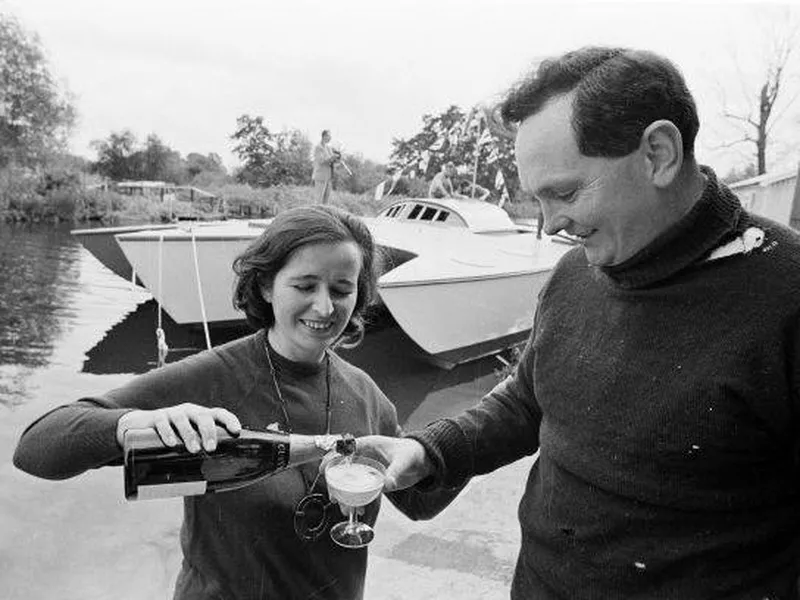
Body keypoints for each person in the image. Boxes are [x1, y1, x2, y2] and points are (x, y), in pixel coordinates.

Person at [356, 46, 800, 599]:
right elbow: (528, 399)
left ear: (658, 154)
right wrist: (430, 452)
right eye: (538, 200)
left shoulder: (787, 297)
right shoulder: (574, 272)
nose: (550, 225)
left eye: (564, 193)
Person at [13, 205, 459, 600]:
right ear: (266, 286)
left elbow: (419, 502)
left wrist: (480, 431)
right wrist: (131, 424)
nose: (324, 308)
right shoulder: (211, 378)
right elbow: (36, 449)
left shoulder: (366, 394)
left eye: (342, 290)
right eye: (305, 285)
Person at [312, 129, 340, 204]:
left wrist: (337, 158)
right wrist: (332, 157)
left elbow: (332, 161)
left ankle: (323, 212)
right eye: (329, 136)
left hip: (328, 177)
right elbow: (321, 161)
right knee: (318, 199)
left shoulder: (329, 147)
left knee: (326, 201)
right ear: (324, 136)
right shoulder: (318, 147)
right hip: (320, 177)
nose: (330, 138)